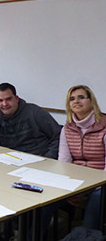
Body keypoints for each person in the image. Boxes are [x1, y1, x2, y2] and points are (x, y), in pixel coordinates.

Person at [58, 85, 106, 230]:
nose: (76, 101)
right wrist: (70, 188)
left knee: (97, 199)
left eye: (81, 97)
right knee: (45, 201)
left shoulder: (104, 126)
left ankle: (86, 235)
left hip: (101, 182)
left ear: (91, 101)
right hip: (76, 181)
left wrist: (90, 187)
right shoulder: (67, 128)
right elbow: (64, 162)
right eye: (72, 99)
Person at [0, 82, 61, 159]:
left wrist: (49, 158)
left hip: (38, 159)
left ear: (16, 99)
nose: (4, 104)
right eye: (0, 100)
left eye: (9, 99)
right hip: (10, 160)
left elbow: (58, 136)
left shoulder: (35, 112)